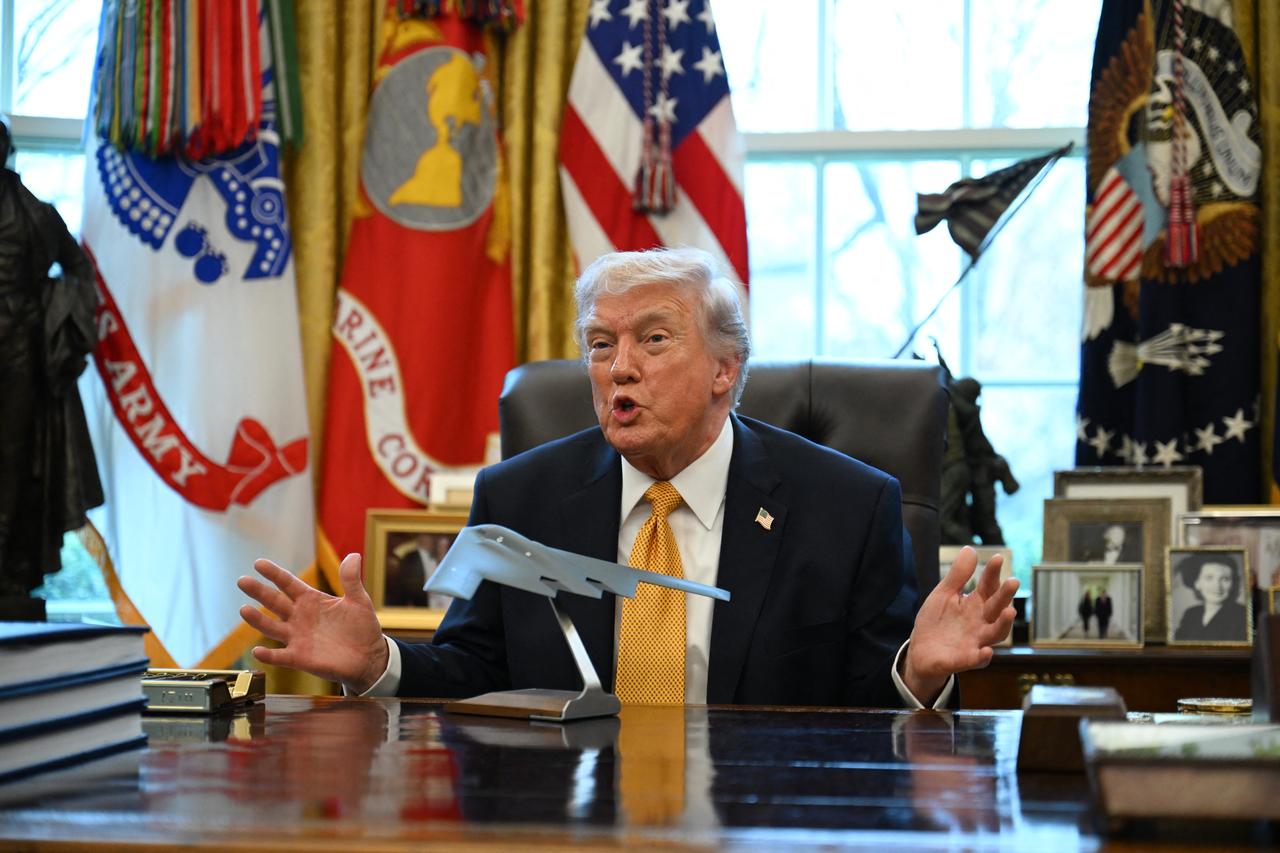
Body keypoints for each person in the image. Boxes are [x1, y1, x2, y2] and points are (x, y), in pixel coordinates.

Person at [238, 248, 1018, 707]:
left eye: (653, 339)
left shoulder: (845, 506)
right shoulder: (519, 497)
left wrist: (917, 671)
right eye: (602, 344)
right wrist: (380, 663)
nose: (621, 368)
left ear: (725, 368)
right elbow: (476, 676)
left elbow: (863, 711)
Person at [0, 117, 103, 618]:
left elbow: (79, 268)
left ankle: (7, 568)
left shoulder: (37, 214)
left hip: (19, 349)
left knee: (13, 459)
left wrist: (63, 318)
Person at [1173, 553, 1249, 643]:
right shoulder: (1191, 614)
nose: (1217, 586)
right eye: (1209, 578)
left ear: (1233, 584)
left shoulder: (1242, 615)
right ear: (1197, 583)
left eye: (1225, 579)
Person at [389, 533, 438, 608]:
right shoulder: (411, 557)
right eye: (431, 538)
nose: (434, 541)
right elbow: (406, 581)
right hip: (417, 604)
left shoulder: (435, 557)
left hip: (434, 603)